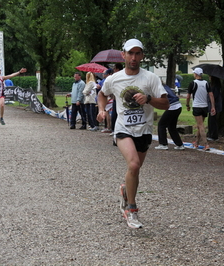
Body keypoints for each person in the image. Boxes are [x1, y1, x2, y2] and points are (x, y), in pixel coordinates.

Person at [97, 38, 169, 228]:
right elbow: (102, 94)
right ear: (124, 55)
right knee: (134, 165)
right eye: (130, 53)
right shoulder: (114, 78)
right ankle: (131, 209)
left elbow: (166, 103)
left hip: (143, 130)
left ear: (142, 56)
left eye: (138, 53)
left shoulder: (151, 78)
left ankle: (125, 191)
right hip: (123, 128)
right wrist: (101, 110)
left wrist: (148, 99)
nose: (134, 57)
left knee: (134, 171)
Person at [186, 67, 215, 151]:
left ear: (195, 74)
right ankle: (197, 142)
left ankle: (206, 144)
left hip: (197, 106)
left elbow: (188, 96)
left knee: (201, 126)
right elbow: (211, 95)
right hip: (205, 107)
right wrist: (213, 106)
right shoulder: (206, 83)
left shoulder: (193, 83)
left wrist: (187, 105)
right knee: (200, 125)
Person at [155, 81, 184, 150]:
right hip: (178, 106)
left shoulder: (160, 88)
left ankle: (163, 144)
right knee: (171, 127)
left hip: (172, 106)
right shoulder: (166, 86)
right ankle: (180, 144)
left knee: (161, 124)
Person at [207, 75, 222, 141]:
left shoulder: (215, 86)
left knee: (213, 120)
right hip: (214, 105)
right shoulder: (212, 85)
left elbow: (214, 95)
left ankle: (214, 135)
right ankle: (211, 134)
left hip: (215, 105)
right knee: (211, 120)